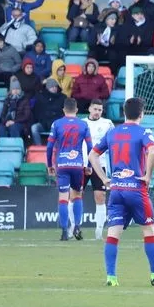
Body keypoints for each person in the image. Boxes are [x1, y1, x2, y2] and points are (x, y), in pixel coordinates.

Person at [88, 97, 154, 287]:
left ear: (124, 113)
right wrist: (147, 175)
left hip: (117, 189)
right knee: (149, 230)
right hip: (136, 189)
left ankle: (111, 277)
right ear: (141, 114)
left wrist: (104, 178)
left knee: (113, 234)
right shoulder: (144, 132)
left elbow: (92, 155)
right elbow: (152, 152)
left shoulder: (113, 132)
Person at [47, 98, 93, 241]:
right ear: (77, 110)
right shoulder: (83, 124)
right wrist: (89, 166)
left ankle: (64, 231)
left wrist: (49, 165)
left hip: (62, 165)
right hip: (77, 165)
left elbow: (49, 147)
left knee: (63, 198)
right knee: (77, 196)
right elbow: (91, 147)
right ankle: (77, 227)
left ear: (63, 110)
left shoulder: (57, 124)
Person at [84, 99, 115, 239]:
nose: (97, 112)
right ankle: (73, 228)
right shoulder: (82, 123)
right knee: (75, 195)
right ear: (90, 108)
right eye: (95, 109)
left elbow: (115, 142)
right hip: (83, 164)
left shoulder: (107, 124)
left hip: (99, 164)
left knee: (100, 196)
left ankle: (99, 232)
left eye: (100, 110)